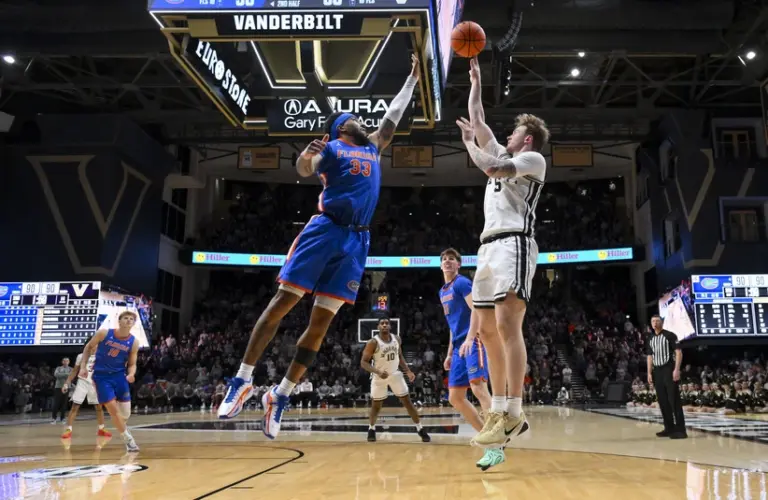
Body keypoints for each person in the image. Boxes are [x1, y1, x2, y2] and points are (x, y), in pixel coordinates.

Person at [217, 55, 421, 440]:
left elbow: (393, 116)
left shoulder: (374, 147)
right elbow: (304, 169)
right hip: (325, 230)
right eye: (353, 118)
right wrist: (306, 156)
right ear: (340, 127)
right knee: (283, 302)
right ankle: (242, 379)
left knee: (320, 325)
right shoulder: (331, 148)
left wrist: (412, 79)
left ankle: (281, 394)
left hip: (357, 240)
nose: (361, 120)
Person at [455, 56, 549, 448]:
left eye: (515, 132)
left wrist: (468, 146)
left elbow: (492, 168)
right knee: (486, 332)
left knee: (509, 325)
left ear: (527, 139)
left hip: (514, 243)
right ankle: (497, 410)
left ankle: (514, 410)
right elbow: (478, 120)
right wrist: (475, 82)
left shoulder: (532, 159)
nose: (508, 134)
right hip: (487, 248)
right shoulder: (503, 151)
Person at [438, 248, 503, 470]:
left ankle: (496, 438)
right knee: (455, 397)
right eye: (444, 259)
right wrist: (449, 353)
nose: (447, 261)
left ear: (459, 264)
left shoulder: (462, 283)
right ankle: (490, 441)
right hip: (458, 346)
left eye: (452, 259)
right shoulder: (443, 291)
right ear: (440, 265)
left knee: (478, 389)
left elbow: (476, 310)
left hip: (473, 341)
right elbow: (451, 325)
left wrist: (469, 338)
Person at [360, 318, 430, 443]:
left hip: (395, 375)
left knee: (408, 403)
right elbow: (363, 362)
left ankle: (420, 428)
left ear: (390, 326)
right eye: (382, 323)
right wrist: (378, 372)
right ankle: (371, 428)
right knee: (376, 406)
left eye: (386, 323)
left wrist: (408, 371)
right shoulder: (373, 342)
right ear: (378, 326)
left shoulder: (397, 339)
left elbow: (400, 356)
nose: (384, 325)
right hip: (379, 377)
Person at [79, 311, 140, 452]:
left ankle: (121, 425)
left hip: (120, 377)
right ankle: (128, 440)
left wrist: (131, 374)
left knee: (125, 415)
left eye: (131, 319)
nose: (128, 320)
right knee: (113, 410)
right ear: (119, 321)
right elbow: (88, 347)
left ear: (133, 323)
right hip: (101, 377)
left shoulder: (134, 342)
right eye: (126, 318)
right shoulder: (104, 333)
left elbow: (132, 364)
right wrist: (83, 367)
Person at [646, 314, 686, 439]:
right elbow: (649, 356)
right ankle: (669, 428)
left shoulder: (670, 335)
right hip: (657, 371)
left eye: (657, 321)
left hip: (669, 369)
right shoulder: (650, 338)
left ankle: (681, 430)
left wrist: (676, 369)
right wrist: (649, 372)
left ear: (661, 322)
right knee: (662, 400)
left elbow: (678, 352)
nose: (655, 323)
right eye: (653, 321)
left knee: (674, 399)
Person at [60, 348, 112, 439]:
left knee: (99, 407)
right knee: (75, 406)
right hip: (82, 382)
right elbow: (74, 371)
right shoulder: (81, 356)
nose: (96, 347)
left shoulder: (102, 355)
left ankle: (101, 429)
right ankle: (68, 429)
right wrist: (66, 383)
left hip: (95, 383)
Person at [51, 357, 72, 424]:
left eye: (67, 361)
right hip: (58, 387)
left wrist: (62, 375)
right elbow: (56, 375)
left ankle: (62, 418)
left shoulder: (71, 369)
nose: (66, 362)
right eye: (64, 361)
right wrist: (67, 374)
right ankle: (54, 418)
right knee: (56, 403)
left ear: (69, 362)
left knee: (64, 403)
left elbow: (71, 376)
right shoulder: (58, 368)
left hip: (67, 387)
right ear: (62, 362)